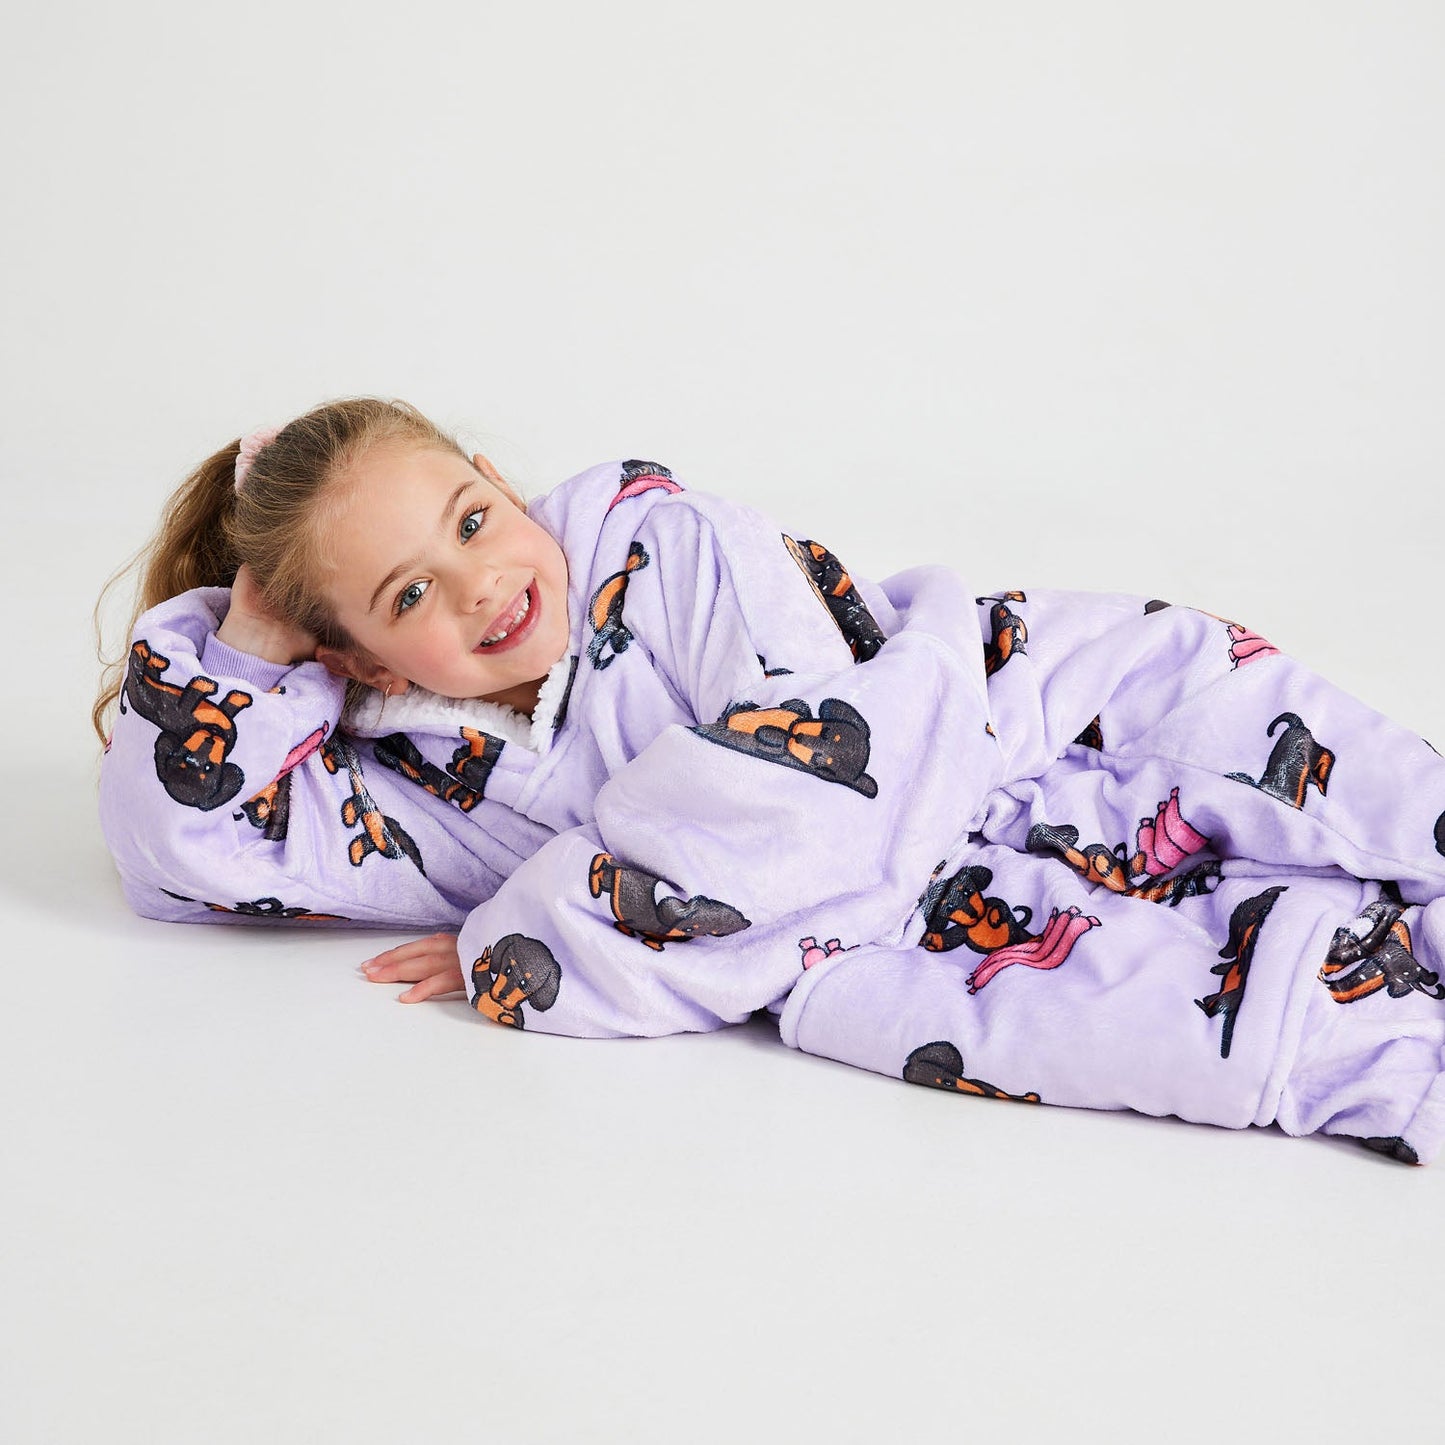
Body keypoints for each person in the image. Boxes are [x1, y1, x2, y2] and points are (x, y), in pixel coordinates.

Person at [95, 396, 1445, 1165]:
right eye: (408, 595)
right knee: (1177, 1026)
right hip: (881, 934)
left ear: (500, 480)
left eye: (472, 520)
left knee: (1312, 765)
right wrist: (245, 654)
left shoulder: (665, 546)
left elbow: (816, 774)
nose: (482, 584)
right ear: (350, 660)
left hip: (1000, 711)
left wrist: (537, 927)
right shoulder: (412, 778)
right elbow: (185, 857)